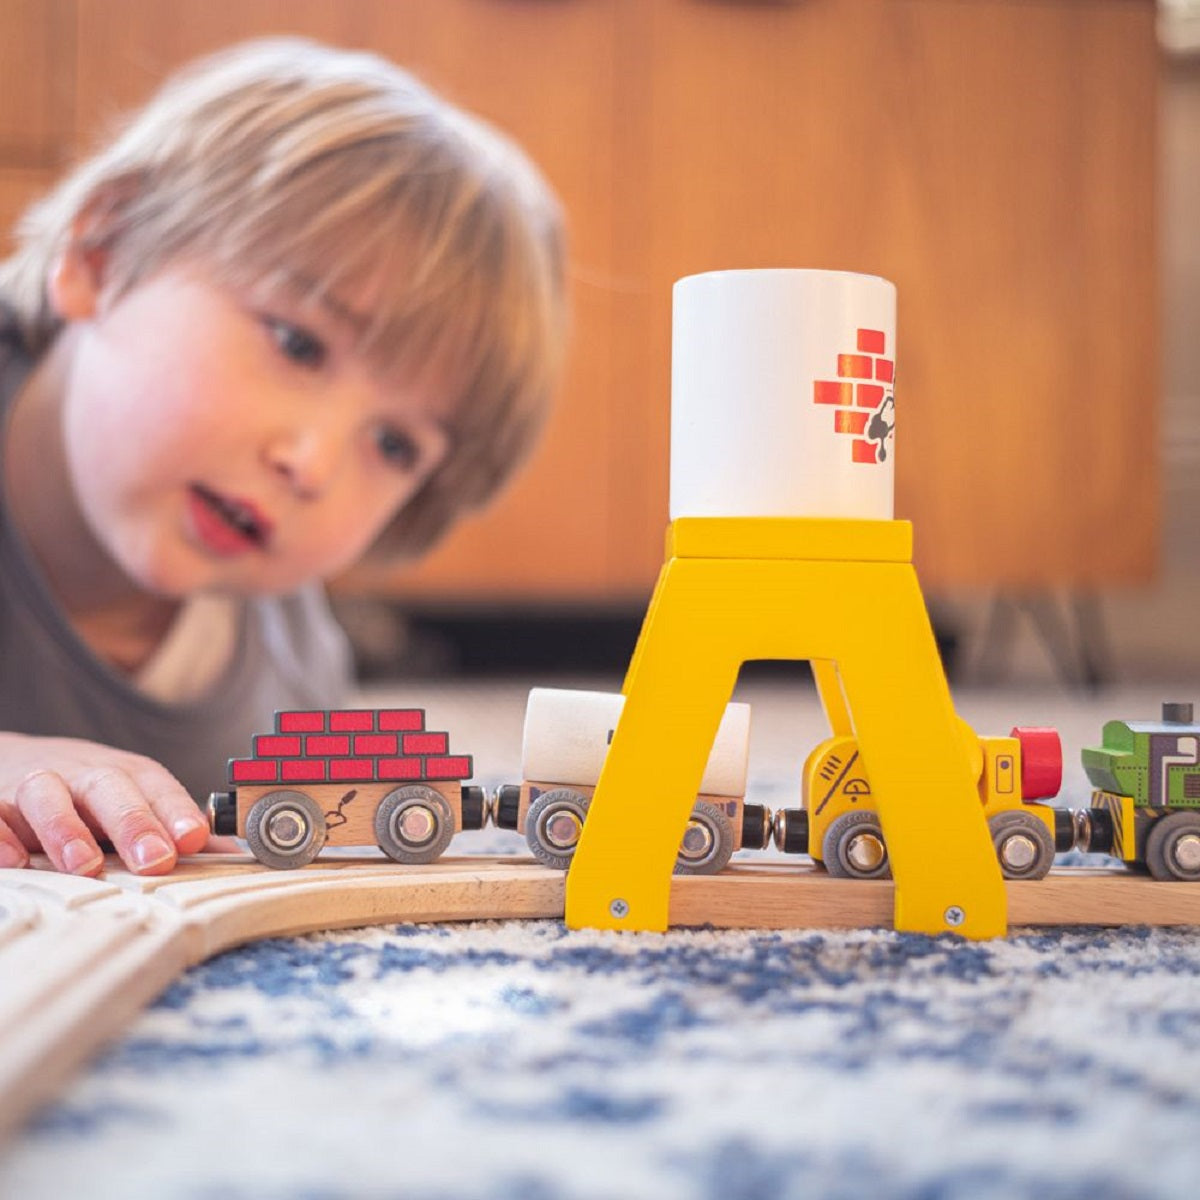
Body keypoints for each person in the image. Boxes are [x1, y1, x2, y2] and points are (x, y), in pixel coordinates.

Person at [0, 38, 567, 877]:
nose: (313, 462)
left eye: (393, 443)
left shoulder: (294, 674)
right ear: (103, 254)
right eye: (298, 343)